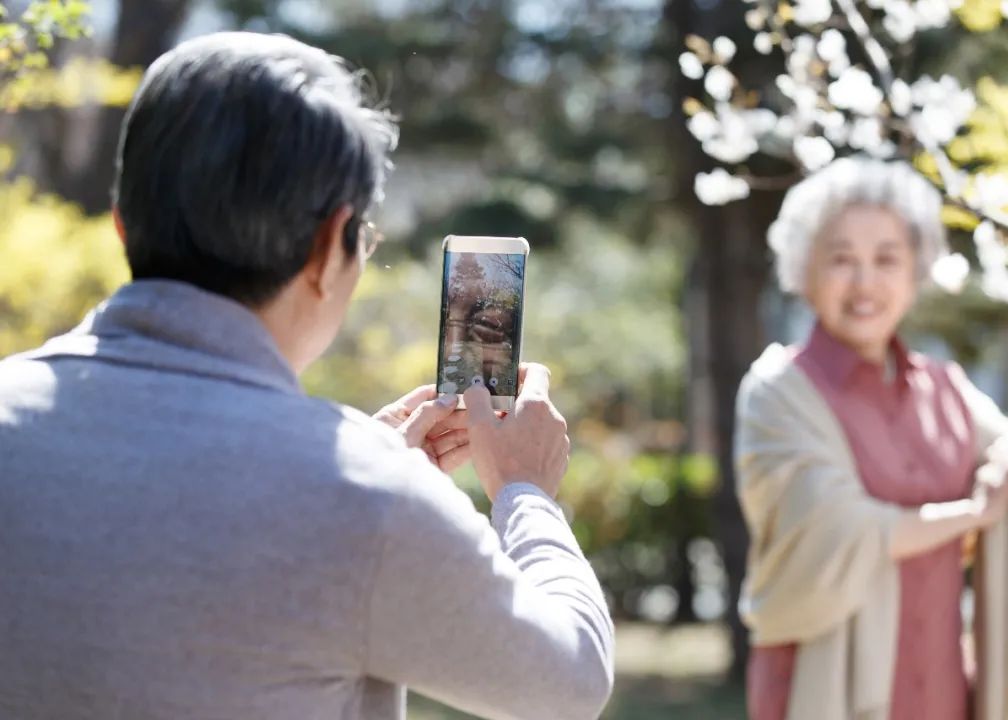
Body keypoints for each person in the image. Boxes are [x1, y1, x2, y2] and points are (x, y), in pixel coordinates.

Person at [0, 32, 613, 720]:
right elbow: (570, 682)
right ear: (331, 246)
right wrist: (526, 495)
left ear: (122, 226)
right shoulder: (365, 495)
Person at [734, 157, 1008, 720]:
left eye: (887, 259)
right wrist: (971, 514)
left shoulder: (947, 390)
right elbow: (844, 529)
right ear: (804, 271)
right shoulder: (778, 393)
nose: (865, 281)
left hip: (941, 692)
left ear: (916, 271)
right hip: (815, 690)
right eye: (841, 259)